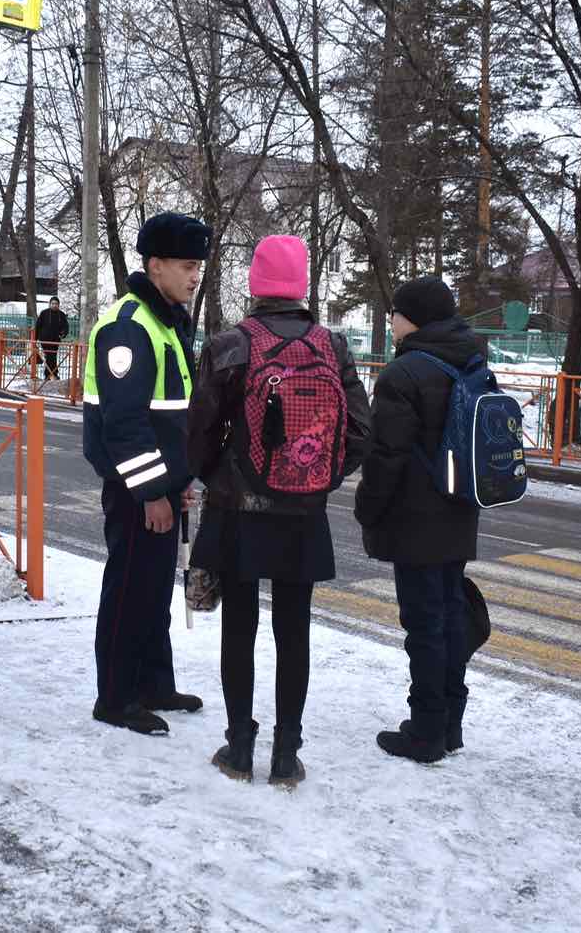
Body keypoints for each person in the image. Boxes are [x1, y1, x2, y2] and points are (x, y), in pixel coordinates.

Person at [187, 235, 370, 786]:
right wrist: (317, 476)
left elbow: (197, 434)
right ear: (301, 285)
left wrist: (218, 472)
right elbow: (360, 431)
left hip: (238, 509)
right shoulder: (333, 346)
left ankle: (239, 748)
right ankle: (287, 755)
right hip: (303, 513)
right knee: (295, 631)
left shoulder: (229, 345)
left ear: (255, 284)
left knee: (238, 627)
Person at [82, 211, 211, 735]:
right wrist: (153, 491)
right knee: (130, 589)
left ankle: (155, 682)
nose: (195, 275)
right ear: (155, 266)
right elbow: (125, 423)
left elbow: (170, 414)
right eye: (186, 265)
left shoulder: (165, 321)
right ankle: (115, 696)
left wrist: (177, 481)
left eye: (198, 265)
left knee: (156, 589)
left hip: (160, 486)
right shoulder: (129, 326)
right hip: (137, 491)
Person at [355, 277, 485, 764]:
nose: (391, 320)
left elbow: (385, 456)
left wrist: (368, 508)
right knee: (449, 614)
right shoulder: (471, 359)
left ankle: (425, 730)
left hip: (416, 518)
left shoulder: (402, 374)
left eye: (396, 312)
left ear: (414, 318)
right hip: (460, 509)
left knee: (424, 625)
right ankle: (450, 724)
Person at [35, 296, 70, 381]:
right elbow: (38, 326)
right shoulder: (44, 313)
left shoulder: (61, 315)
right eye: (53, 303)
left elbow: (66, 327)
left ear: (58, 305)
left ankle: (51, 374)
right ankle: (51, 374)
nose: (54, 305)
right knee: (49, 356)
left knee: (52, 356)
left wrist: (63, 334)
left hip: (55, 340)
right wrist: (35, 339)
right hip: (45, 339)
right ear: (50, 304)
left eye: (56, 304)